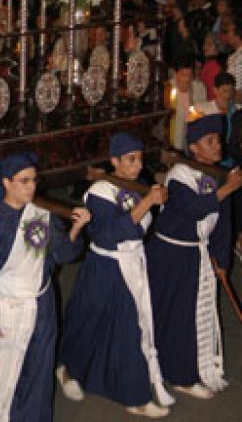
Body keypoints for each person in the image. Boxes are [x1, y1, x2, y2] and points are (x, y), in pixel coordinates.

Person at [56, 133, 173, 418]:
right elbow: (106, 235)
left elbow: (143, 226)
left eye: (140, 159)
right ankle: (67, 370)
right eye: (130, 160)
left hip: (133, 262)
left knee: (129, 326)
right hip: (106, 265)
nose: (137, 165)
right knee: (88, 321)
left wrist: (154, 199)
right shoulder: (99, 192)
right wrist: (147, 203)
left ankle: (132, 392)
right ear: (114, 161)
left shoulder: (137, 185)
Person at [0, 152, 91, 422]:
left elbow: (64, 254)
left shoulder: (42, 214)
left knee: (38, 369)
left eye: (34, 180)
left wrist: (76, 229)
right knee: (2, 374)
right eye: (23, 181)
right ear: (6, 183)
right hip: (6, 307)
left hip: (41, 304)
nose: (31, 187)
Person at [146, 114, 242, 399]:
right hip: (170, 254)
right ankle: (177, 375)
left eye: (218, 141)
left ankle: (188, 369)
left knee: (190, 314)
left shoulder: (215, 174)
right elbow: (193, 208)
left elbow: (223, 223)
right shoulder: (179, 176)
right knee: (174, 314)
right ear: (193, 148)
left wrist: (221, 260)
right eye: (209, 142)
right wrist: (227, 189)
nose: (217, 147)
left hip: (195, 254)